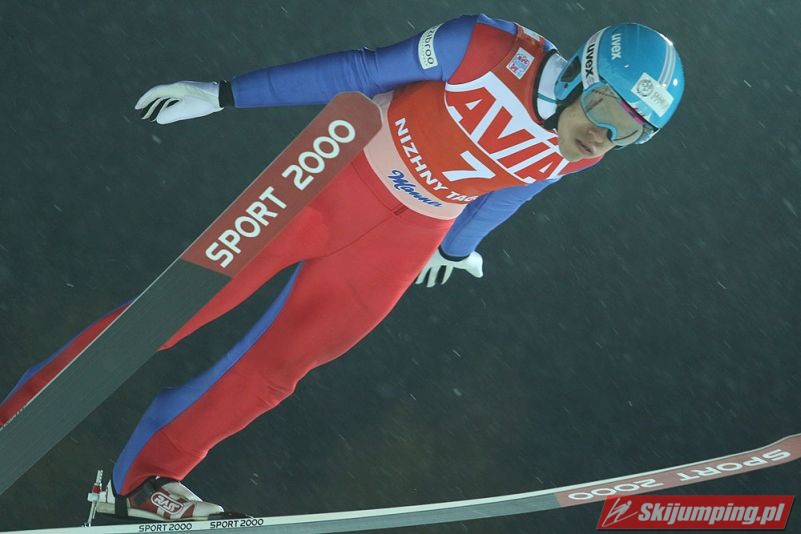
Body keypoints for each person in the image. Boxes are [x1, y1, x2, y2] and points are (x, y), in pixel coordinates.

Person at [0, 14, 684, 521]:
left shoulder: (581, 151)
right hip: (334, 179)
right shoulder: (484, 47)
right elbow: (360, 71)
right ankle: (16, 418)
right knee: (171, 315)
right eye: (605, 109)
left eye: (631, 131)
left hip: (405, 236)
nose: (603, 135)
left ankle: (147, 481)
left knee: (281, 368)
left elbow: (516, 187)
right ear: (580, 73)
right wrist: (224, 94)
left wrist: (455, 248)